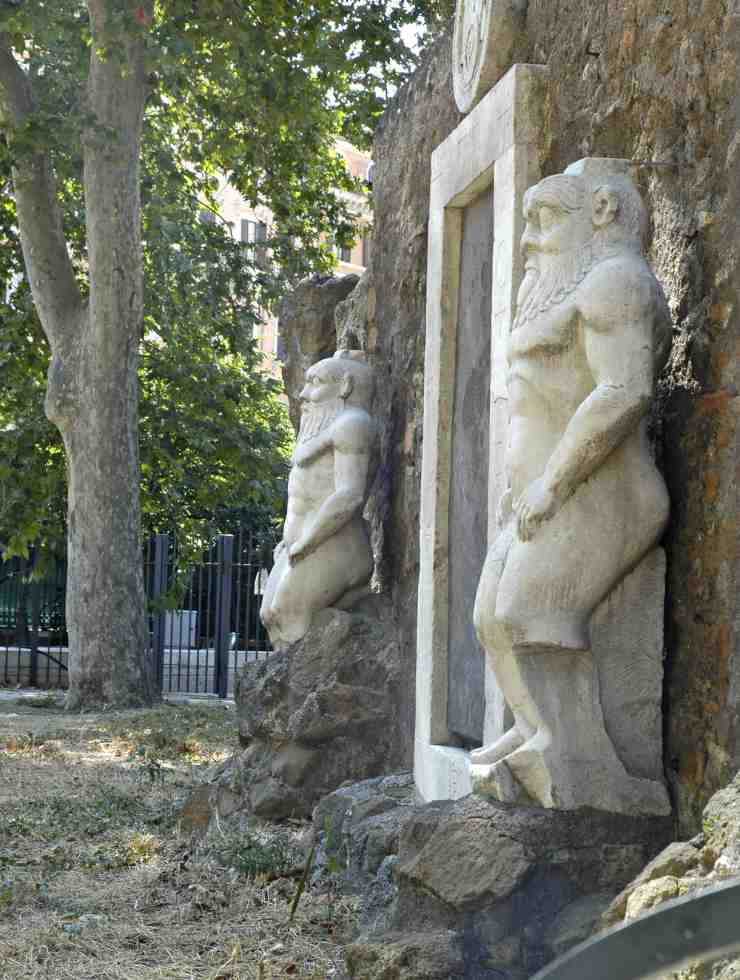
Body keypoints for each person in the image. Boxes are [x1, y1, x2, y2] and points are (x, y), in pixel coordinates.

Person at [472, 160, 671, 813]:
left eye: (545, 218)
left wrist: (552, 486)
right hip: (543, 495)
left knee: (526, 612)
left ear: (603, 212)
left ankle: (592, 771)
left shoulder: (616, 280)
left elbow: (623, 391)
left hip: (603, 489)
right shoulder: (564, 286)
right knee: (489, 620)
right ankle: (540, 732)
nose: (529, 238)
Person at [260, 351, 376, 648]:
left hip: (331, 543)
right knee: (269, 614)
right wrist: (291, 541)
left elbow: (349, 495)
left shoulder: (353, 424)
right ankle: (292, 691)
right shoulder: (322, 428)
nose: (303, 394)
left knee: (287, 613)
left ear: (345, 387)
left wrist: (307, 541)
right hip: (300, 544)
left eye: (316, 383)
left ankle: (300, 691)